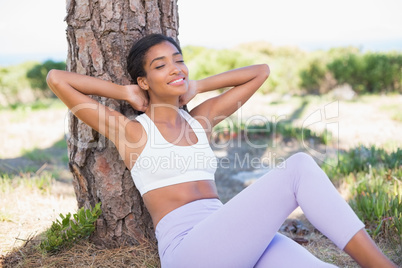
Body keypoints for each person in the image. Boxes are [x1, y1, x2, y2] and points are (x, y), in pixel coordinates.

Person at [47, 34, 396, 268]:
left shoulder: (201, 120)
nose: (175, 68)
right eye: (160, 65)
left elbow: (260, 72)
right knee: (299, 167)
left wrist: (197, 84)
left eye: (178, 60)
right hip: (189, 250)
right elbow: (57, 80)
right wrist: (124, 94)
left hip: (229, 235)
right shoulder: (131, 131)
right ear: (143, 81)